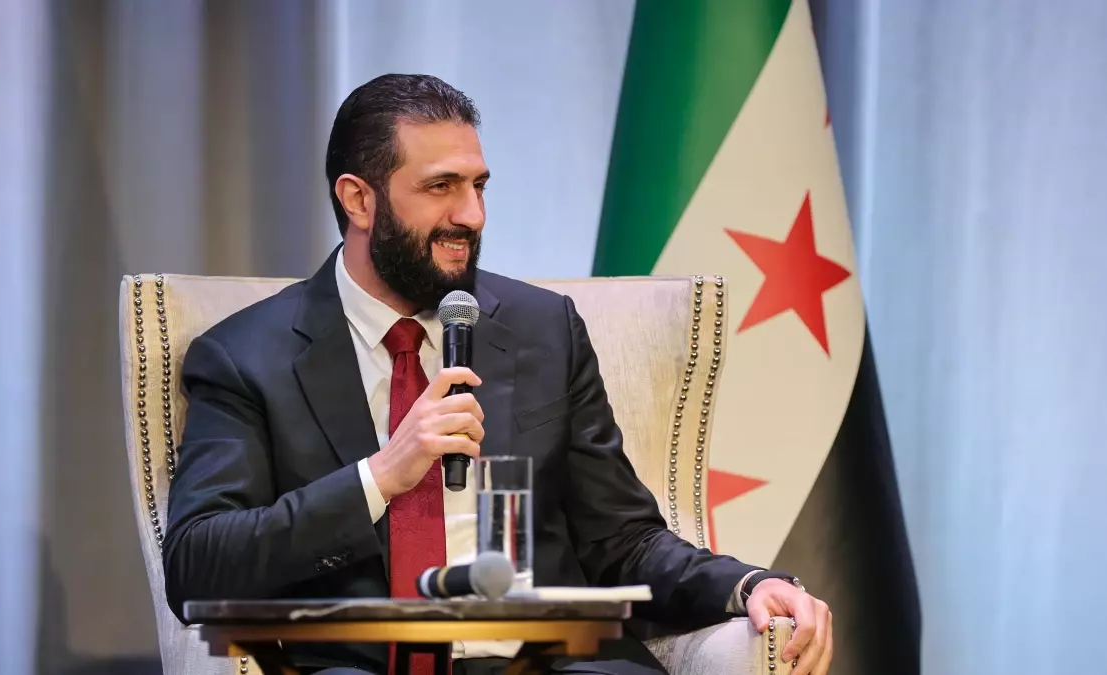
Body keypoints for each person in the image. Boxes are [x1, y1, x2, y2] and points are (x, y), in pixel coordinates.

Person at [164, 73, 833, 675]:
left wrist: (747, 585)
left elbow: (621, 538)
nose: (472, 216)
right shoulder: (245, 356)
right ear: (358, 199)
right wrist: (381, 475)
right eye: (441, 187)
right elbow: (197, 560)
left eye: (478, 185)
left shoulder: (544, 329)